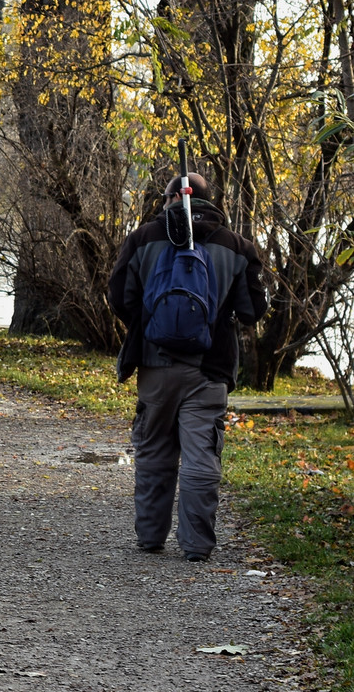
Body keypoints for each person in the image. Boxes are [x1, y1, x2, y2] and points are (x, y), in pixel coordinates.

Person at [109, 171, 266, 561]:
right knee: (201, 456)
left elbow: (119, 298)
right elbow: (252, 311)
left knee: (154, 450)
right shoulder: (238, 247)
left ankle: (150, 538)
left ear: (167, 201)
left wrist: (153, 324)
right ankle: (196, 546)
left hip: (153, 364)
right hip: (209, 370)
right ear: (211, 201)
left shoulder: (142, 238)